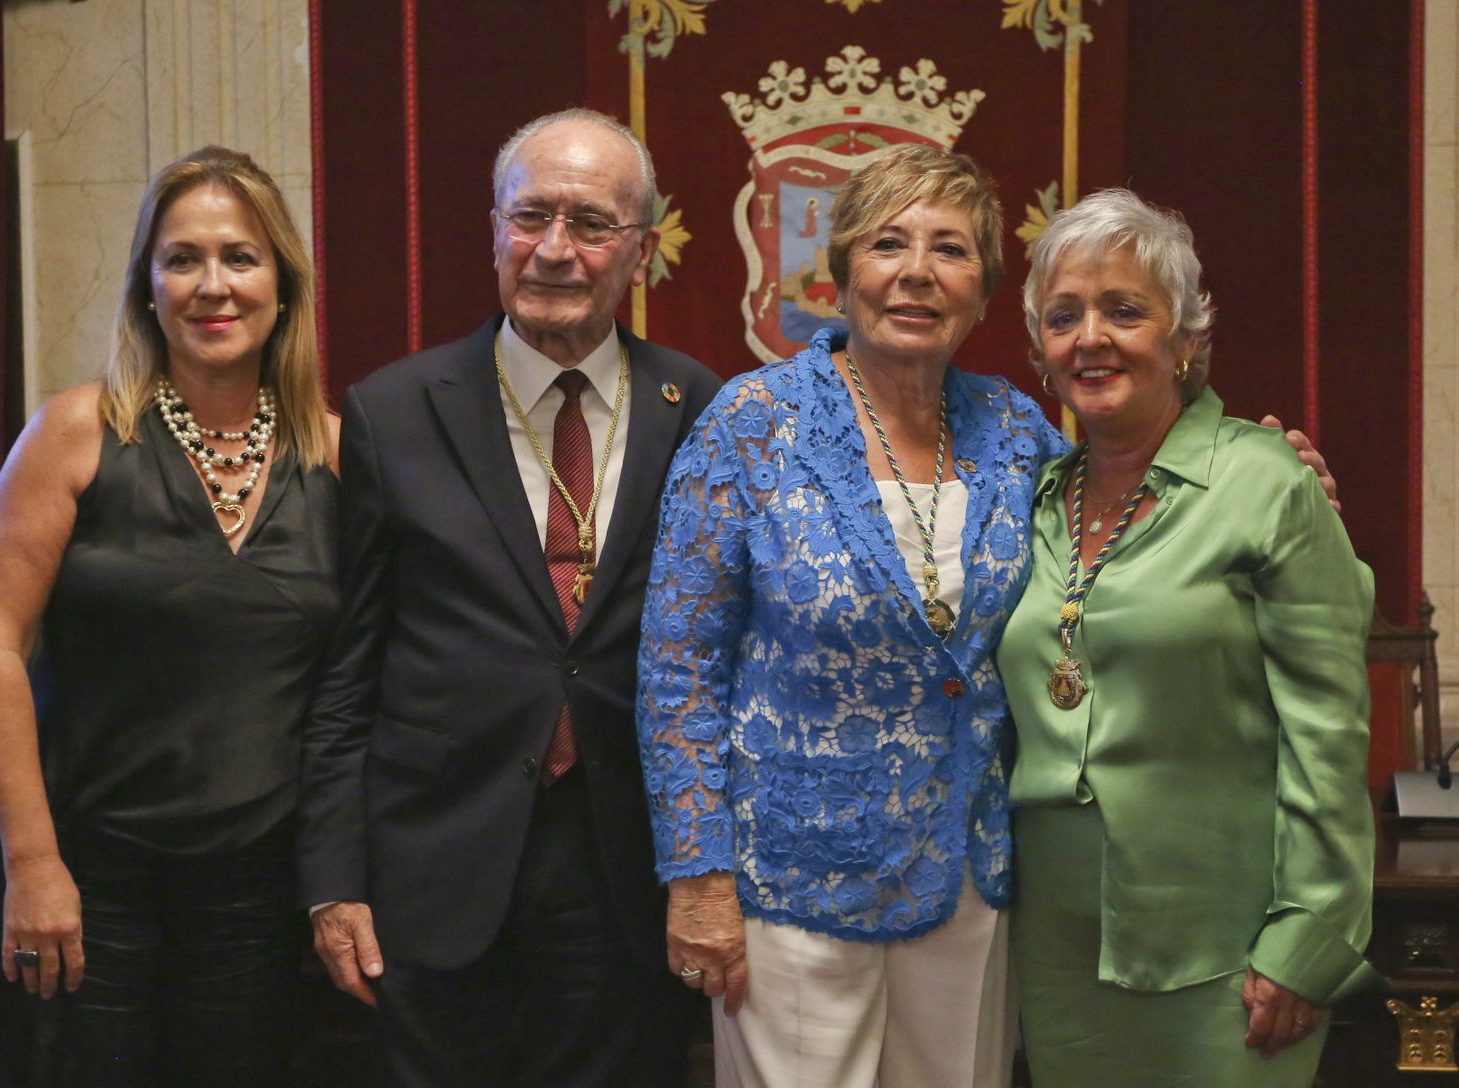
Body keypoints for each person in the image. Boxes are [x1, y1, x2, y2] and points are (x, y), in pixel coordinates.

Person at [297, 108, 721, 1087]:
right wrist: (332, 878)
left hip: (624, 863)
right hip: (437, 856)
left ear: (643, 251)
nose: (555, 250)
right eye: (530, 217)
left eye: (591, 223)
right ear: (493, 231)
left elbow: (723, 657)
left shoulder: (701, 407)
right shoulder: (392, 410)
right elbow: (345, 667)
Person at [637, 143, 1055, 1088]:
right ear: (841, 274)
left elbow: (1121, 522)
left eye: (949, 249)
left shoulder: (1019, 430)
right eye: (887, 243)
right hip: (790, 886)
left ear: (984, 289)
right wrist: (697, 881)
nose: (916, 271)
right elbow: (678, 670)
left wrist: (1254, 457)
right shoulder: (751, 424)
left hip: (967, 878)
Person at [0, 146, 338, 1087]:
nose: (214, 285)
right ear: (148, 286)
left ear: (283, 285)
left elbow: (354, 684)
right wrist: (33, 865)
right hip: (89, 884)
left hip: (264, 890)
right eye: (183, 258)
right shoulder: (74, 432)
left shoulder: (339, 453)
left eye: (241, 257)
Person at [998, 188, 1377, 1086]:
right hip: (1056, 951)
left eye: (1124, 310)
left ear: (1187, 339)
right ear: (1041, 355)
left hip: (1230, 953)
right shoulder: (1030, 498)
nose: (1091, 336)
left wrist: (1309, 935)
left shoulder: (1264, 480)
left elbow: (1329, 732)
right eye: (1064, 316)